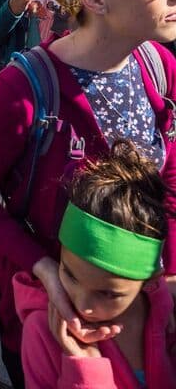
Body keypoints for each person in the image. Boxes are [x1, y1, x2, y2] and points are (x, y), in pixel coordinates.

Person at [0, 0, 176, 389]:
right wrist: (48, 271)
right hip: (51, 318)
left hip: (144, 304)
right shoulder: (22, 89)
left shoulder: (159, 66)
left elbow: (172, 174)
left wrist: (171, 275)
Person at [14, 140, 176, 388]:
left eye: (108, 293)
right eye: (70, 275)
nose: (83, 305)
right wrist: (85, 371)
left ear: (151, 280)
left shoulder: (166, 314)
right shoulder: (42, 332)